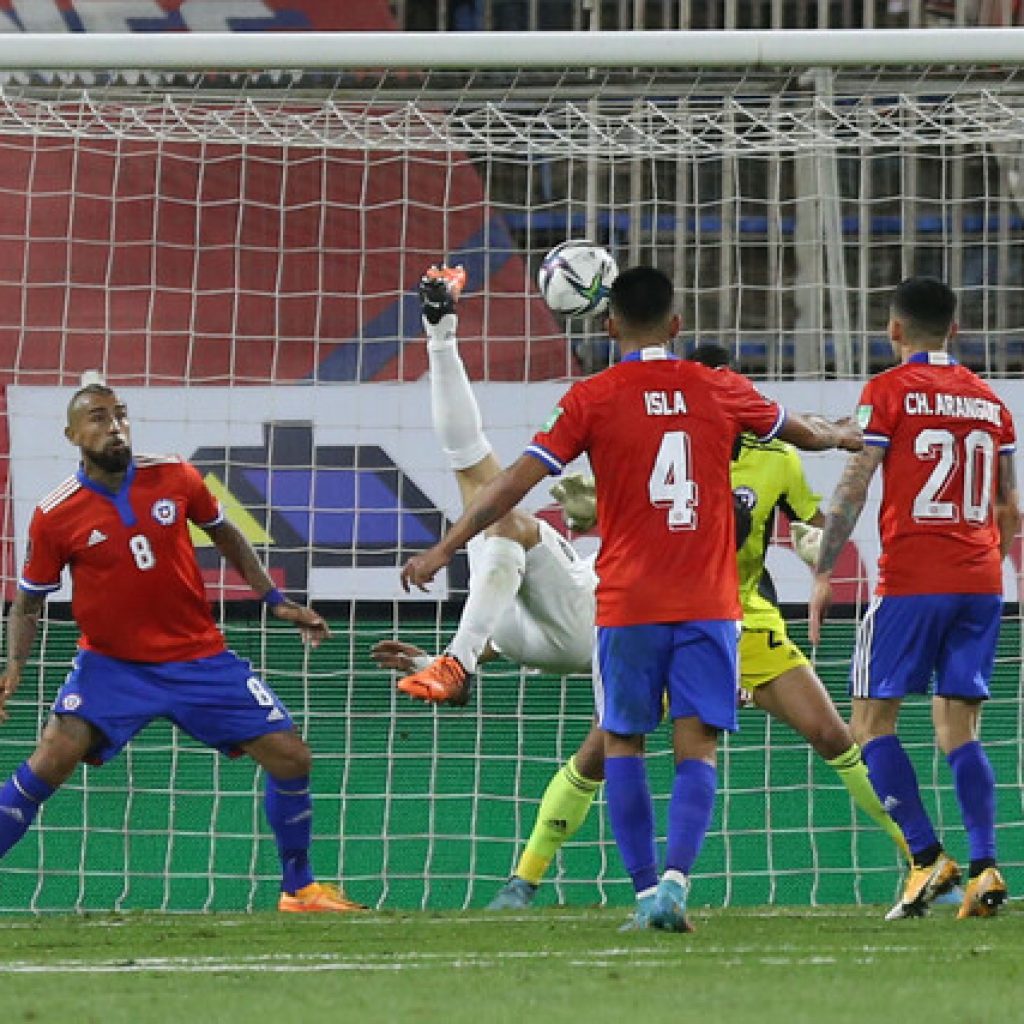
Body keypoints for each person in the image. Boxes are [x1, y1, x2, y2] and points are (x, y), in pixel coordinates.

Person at [401, 265, 863, 932]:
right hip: (710, 601)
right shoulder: (721, 387)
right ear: (677, 326)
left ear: (609, 324)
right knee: (697, 746)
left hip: (627, 602)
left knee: (621, 744)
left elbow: (509, 487)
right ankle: (676, 885)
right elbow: (808, 432)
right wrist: (844, 435)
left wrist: (446, 548)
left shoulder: (592, 396)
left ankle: (644, 893)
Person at [477, 343, 908, 910]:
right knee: (600, 752)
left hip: (742, 613)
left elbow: (816, 522)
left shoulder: (775, 456)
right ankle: (525, 878)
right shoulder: (647, 438)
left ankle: (922, 861)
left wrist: (818, 553)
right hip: (662, 609)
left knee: (832, 735)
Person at [0, 383, 364, 913]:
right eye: (99, 418)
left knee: (291, 757)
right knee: (48, 763)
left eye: (120, 416)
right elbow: (28, 603)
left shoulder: (173, 475)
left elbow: (228, 536)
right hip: (112, 666)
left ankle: (299, 889)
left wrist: (275, 600)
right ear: (73, 435)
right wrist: (13, 667)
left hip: (198, 657)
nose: (115, 427)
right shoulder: (56, 513)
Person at [374, 265, 605, 909]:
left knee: (495, 503)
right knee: (480, 489)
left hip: (585, 630)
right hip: (538, 633)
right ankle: (439, 330)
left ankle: (457, 661)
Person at [809, 276, 1019, 921]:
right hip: (981, 582)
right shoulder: (992, 403)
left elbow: (856, 482)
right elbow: (1008, 507)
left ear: (894, 330)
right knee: (960, 729)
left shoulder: (888, 390)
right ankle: (986, 869)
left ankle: (927, 858)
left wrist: (823, 563)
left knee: (870, 723)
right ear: (954, 330)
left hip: (911, 582)